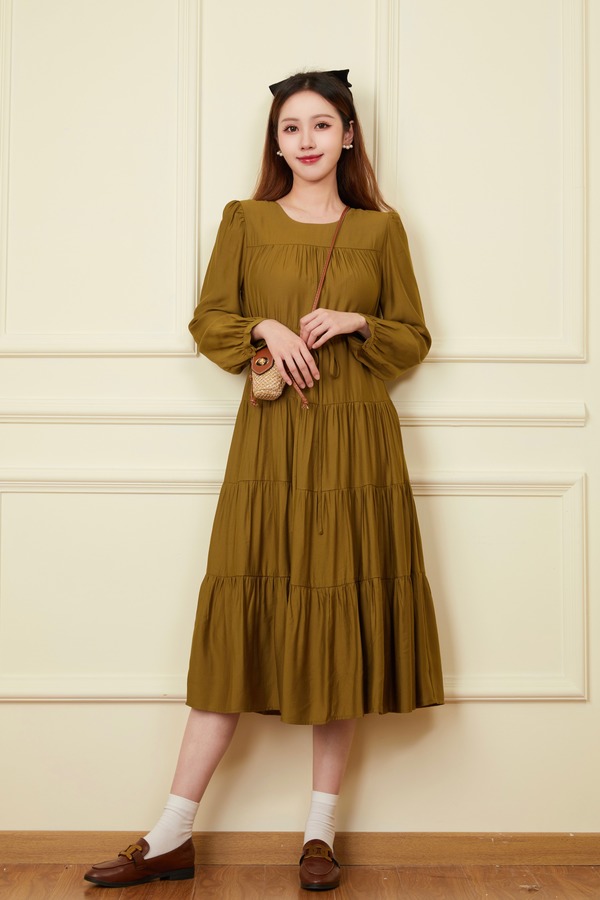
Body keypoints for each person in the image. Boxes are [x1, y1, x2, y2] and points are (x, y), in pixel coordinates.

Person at [84, 68, 444, 892]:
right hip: (270, 448)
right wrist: (263, 326)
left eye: (321, 125)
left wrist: (358, 321)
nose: (306, 140)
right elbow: (209, 319)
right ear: (276, 143)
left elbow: (413, 339)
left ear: (348, 136)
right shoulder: (243, 221)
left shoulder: (382, 230)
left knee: (339, 620)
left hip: (356, 446)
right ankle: (172, 833)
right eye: (290, 128)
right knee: (238, 620)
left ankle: (319, 835)